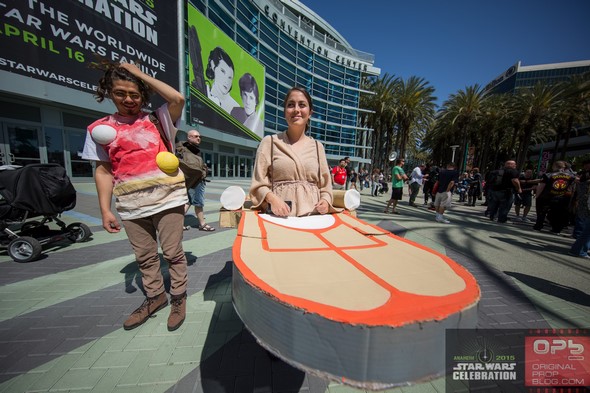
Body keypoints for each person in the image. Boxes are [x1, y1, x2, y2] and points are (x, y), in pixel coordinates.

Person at [82, 62, 188, 331]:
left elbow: (178, 98)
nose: (128, 99)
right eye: (120, 93)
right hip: (131, 204)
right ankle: (155, 298)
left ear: (142, 94)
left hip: (168, 199)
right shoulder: (100, 129)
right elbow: (103, 171)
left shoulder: (157, 118)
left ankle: (178, 297)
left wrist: (139, 75)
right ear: (109, 92)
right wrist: (105, 210)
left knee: (173, 253)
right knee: (145, 257)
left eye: (134, 94)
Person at [249, 86, 335, 217]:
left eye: (302, 105)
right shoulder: (270, 142)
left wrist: (325, 201)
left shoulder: (318, 147)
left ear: (310, 112)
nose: (296, 110)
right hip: (278, 218)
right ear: (285, 112)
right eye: (290, 105)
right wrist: (272, 199)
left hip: (313, 218)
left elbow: (325, 186)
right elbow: (258, 184)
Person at [176, 130, 215, 231]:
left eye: (199, 136)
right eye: (196, 136)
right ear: (189, 137)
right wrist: (202, 171)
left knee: (188, 201)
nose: (199, 138)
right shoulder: (187, 149)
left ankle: (178, 224)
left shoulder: (191, 149)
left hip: (191, 179)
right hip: (196, 180)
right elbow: (192, 166)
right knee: (198, 202)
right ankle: (202, 224)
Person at [533, 160, 575, 235]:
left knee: (542, 212)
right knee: (559, 214)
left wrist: (537, 196)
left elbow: (541, 186)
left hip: (548, 196)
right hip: (562, 197)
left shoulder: (548, 175)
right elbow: (572, 186)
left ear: (554, 166)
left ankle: (538, 226)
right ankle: (556, 229)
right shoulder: (571, 176)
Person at [205, 46, 239, 113]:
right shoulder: (204, 92)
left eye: (230, 78)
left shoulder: (235, 108)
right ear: (213, 65)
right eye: (223, 71)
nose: (227, 81)